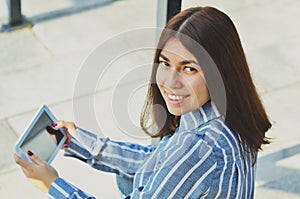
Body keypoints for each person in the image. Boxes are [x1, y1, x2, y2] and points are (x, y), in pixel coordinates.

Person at [14, 6, 271, 199]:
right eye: (165, 63)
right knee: (129, 179)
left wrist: (52, 184)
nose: (170, 82)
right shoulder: (229, 111)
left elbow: (178, 161)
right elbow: (159, 160)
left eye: (189, 69)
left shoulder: (198, 149)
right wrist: (80, 142)